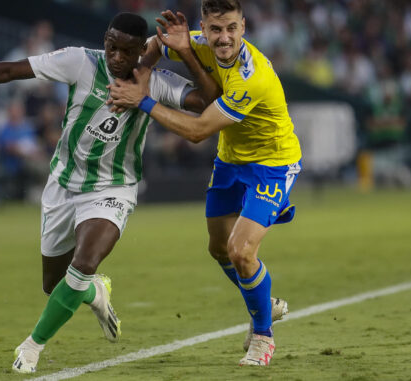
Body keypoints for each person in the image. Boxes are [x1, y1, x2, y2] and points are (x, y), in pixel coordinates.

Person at [0, 13, 207, 373]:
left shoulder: (156, 82)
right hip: (63, 186)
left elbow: (207, 102)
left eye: (125, 51)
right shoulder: (79, 61)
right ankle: (95, 292)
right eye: (110, 47)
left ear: (141, 50)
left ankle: (32, 347)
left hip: (113, 188)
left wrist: (186, 52)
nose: (115, 57)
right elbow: (10, 71)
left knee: (84, 264)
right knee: (54, 285)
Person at [109, 0, 301, 366]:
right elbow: (155, 43)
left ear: (243, 27)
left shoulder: (252, 76)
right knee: (218, 249)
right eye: (216, 29)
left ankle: (262, 336)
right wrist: (144, 71)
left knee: (241, 251)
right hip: (230, 160)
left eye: (231, 28)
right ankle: (263, 303)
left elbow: (197, 131)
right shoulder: (195, 40)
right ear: (204, 27)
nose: (224, 37)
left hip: (273, 164)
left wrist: (143, 99)